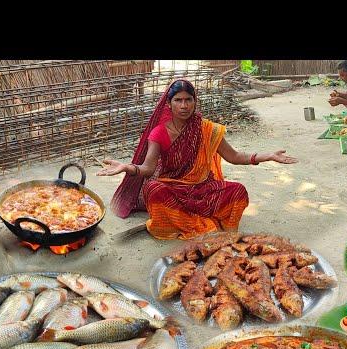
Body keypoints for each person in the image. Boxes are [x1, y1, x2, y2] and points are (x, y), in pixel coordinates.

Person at [98, 79, 296, 240]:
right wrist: (126, 167)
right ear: (169, 104)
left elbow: (234, 157)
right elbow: (148, 169)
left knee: (238, 191)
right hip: (173, 189)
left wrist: (268, 156)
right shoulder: (159, 133)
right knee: (153, 190)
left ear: (195, 102)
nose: (184, 105)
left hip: (203, 188)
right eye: (178, 100)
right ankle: (199, 222)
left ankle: (189, 220)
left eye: (188, 100)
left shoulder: (208, 129)